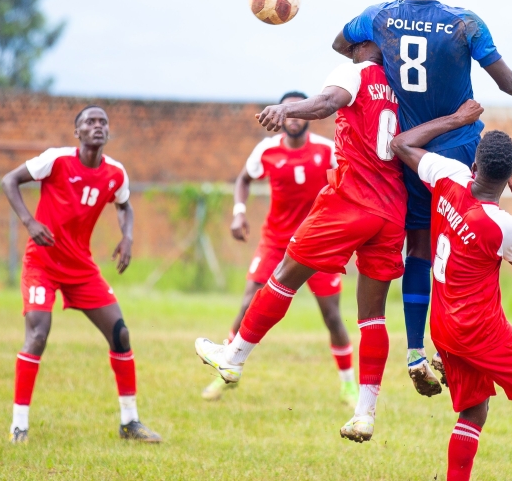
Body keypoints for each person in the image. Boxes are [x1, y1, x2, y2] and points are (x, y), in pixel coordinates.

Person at [196, 41, 482, 443]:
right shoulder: (405, 85)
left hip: (350, 200)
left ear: (368, 44)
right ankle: (365, 414)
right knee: (372, 316)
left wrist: (286, 108)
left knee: (282, 278)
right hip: (391, 210)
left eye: (351, 40)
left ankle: (233, 357)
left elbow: (328, 101)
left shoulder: (356, 72)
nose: (344, 47)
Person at [331, 0, 512, 396]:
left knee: (420, 248)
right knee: (470, 244)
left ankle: (414, 351)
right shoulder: (465, 23)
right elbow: (509, 82)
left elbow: (341, 43)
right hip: (460, 151)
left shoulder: (377, 16)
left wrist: (372, 60)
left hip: (410, 152)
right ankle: (460, 345)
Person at [390, 120, 512, 481]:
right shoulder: (500, 225)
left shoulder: (449, 174)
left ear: (474, 166)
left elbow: (402, 145)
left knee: (473, 411)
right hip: (480, 331)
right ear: (510, 177)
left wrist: (457, 118)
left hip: (443, 327)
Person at [1, 106, 161, 443]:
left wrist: (127, 236)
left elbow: (124, 205)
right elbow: (9, 180)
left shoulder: (116, 172)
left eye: (103, 122)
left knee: (120, 334)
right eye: (90, 121)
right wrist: (30, 222)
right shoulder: (57, 160)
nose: (98, 126)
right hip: (42, 262)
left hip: (81, 268)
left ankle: (129, 423)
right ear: (78, 132)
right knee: (38, 334)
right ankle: (19, 425)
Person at [201, 91, 356, 405]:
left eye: (300, 111)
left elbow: (349, 181)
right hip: (275, 241)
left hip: (317, 241)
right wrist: (239, 213)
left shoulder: (327, 151)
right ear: (282, 115)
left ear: (308, 115)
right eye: (289, 111)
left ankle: (348, 385)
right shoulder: (267, 150)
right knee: (248, 302)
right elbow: (243, 179)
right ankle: (227, 370)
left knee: (332, 316)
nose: (295, 117)